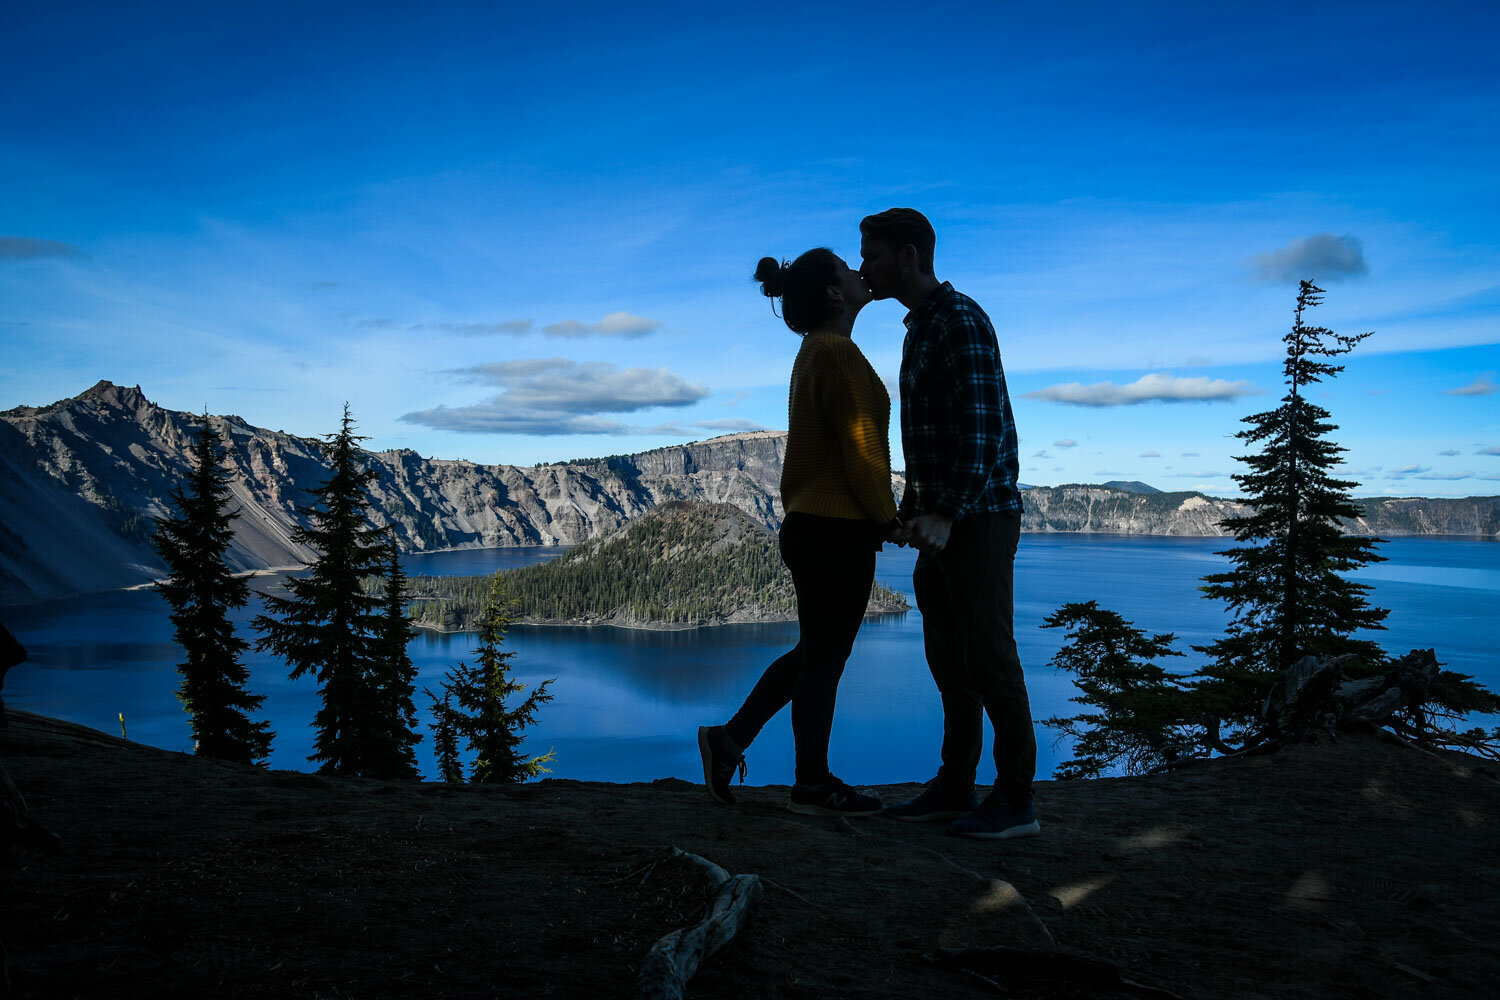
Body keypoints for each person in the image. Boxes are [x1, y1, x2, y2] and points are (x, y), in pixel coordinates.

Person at [699, 248, 904, 817]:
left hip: (813, 526)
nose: (861, 272)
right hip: (836, 529)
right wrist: (888, 518)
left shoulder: (814, 350)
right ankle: (811, 784)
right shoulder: (837, 353)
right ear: (836, 294)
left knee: (814, 654)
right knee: (824, 661)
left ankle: (728, 740)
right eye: (848, 268)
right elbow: (862, 453)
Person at [858, 208, 1040, 840]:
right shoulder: (920, 327)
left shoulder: (960, 319)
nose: (863, 269)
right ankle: (955, 786)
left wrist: (945, 511)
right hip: (943, 522)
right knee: (946, 659)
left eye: (872, 256)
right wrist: (911, 512)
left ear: (908, 256)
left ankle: (1016, 799)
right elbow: (932, 440)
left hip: (979, 521)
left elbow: (983, 429)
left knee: (990, 655)